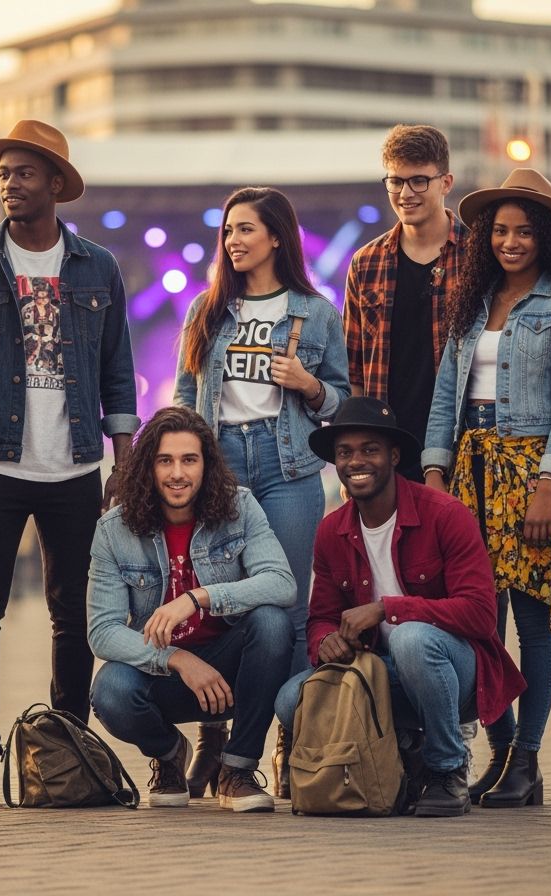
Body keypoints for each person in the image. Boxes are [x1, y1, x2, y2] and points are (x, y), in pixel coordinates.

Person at [0, 120, 139, 810]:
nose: (9, 184)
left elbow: (118, 371)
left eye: (24, 172)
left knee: (72, 615)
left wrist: (124, 463)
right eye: (3, 173)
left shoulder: (97, 267)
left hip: (75, 466)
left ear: (55, 183)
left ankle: (68, 744)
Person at [422, 169, 551, 808]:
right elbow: (447, 394)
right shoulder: (472, 304)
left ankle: (527, 759)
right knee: (478, 623)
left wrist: (549, 482)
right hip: (470, 470)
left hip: (532, 475)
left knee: (533, 621)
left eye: (524, 231)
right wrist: (435, 474)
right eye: (499, 230)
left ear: (546, 237)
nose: (510, 241)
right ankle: (500, 754)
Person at [174, 186, 349, 797]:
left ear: (277, 236)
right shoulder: (208, 309)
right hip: (220, 467)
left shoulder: (315, 310)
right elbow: (182, 398)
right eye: (228, 232)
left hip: (288, 468)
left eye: (246, 229)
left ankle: (290, 739)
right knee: (221, 603)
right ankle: (213, 735)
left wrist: (310, 386)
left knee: (289, 608)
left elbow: (344, 402)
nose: (234, 241)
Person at [274, 397, 524, 817]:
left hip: (457, 674)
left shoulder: (446, 514)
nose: (356, 461)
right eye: (345, 453)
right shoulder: (331, 531)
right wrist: (325, 642)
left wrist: (386, 609)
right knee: (291, 699)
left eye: (369, 449)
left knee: (411, 638)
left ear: (393, 455)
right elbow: (319, 618)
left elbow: (481, 614)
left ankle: (448, 770)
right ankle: (401, 759)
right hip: (381, 673)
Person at [87, 406, 295, 813]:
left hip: (231, 674)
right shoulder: (114, 530)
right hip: (163, 673)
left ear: (207, 465)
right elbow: (103, 630)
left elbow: (281, 582)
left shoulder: (241, 507)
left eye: (189, 460)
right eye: (165, 461)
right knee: (110, 690)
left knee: (272, 623)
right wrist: (178, 659)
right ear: (148, 467)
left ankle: (236, 769)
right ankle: (167, 755)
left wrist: (198, 597)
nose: (177, 473)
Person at [343, 124, 467, 481]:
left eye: (418, 181)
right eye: (396, 181)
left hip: (462, 441)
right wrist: (359, 449)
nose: (405, 193)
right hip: (388, 445)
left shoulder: (478, 255)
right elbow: (353, 372)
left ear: (446, 182)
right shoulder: (366, 263)